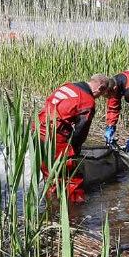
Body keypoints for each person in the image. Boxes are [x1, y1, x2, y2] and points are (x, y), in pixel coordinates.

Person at [37, 74, 113, 203]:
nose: (99, 97)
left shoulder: (67, 86)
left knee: (50, 175)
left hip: (38, 131)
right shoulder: (87, 101)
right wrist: (74, 150)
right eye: (102, 94)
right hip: (55, 136)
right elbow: (81, 131)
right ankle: (75, 215)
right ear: (100, 87)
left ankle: (51, 209)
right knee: (72, 178)